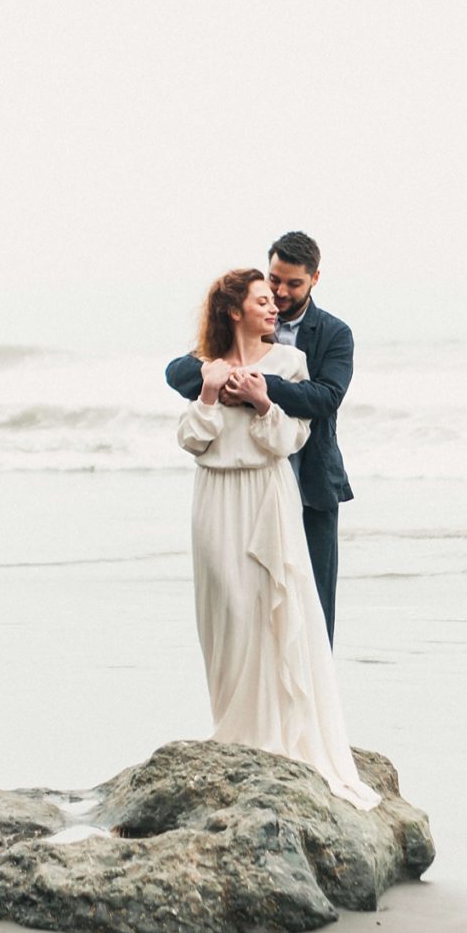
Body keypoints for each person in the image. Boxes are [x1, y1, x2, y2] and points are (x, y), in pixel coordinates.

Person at [170, 268, 376, 810]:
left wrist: (264, 403)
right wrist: (211, 395)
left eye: (276, 298)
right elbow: (192, 439)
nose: (274, 308)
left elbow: (289, 439)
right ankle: (231, 724)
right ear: (234, 310)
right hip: (215, 497)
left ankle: (277, 730)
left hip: (267, 495)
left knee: (269, 607)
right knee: (227, 611)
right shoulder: (203, 369)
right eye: (263, 300)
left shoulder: (290, 364)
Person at [165, 232, 352, 641]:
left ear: (315, 279)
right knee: (245, 599)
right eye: (274, 281)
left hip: (310, 481)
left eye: (293, 284)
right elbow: (178, 373)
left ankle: (313, 701)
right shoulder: (238, 326)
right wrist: (218, 375)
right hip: (246, 485)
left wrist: (260, 386)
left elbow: (326, 398)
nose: (280, 293)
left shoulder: (334, 334)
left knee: (314, 605)